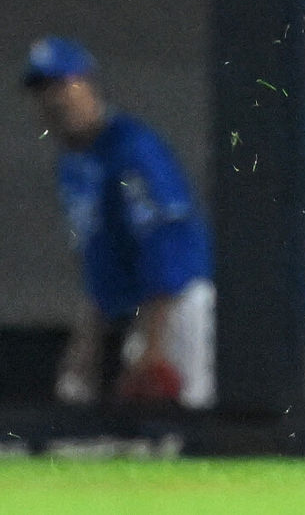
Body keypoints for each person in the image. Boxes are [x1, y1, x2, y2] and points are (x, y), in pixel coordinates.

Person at [23, 36, 216, 409]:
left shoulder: (132, 149)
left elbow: (166, 248)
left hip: (177, 305)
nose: (51, 99)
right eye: (41, 90)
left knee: (184, 427)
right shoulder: (73, 164)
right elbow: (98, 262)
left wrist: (153, 345)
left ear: (88, 85)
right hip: (140, 313)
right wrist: (86, 345)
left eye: (60, 85)